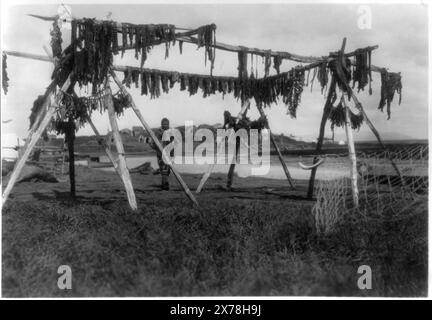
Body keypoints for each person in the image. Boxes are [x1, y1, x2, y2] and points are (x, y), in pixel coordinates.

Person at [148, 117, 172, 190]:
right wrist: (157, 147)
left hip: (169, 154)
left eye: (167, 124)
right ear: (161, 124)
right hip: (160, 154)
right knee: (164, 169)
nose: (165, 125)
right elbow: (153, 143)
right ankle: (165, 185)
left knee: (167, 170)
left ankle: (164, 183)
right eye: (164, 124)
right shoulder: (158, 132)